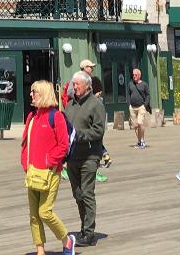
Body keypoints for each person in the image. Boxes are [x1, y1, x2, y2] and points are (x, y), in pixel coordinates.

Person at [20, 80, 75, 255]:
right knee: (34, 215)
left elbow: (63, 146)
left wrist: (49, 160)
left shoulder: (56, 116)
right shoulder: (31, 117)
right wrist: (25, 162)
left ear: (43, 94)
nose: (31, 94)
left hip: (50, 172)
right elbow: (25, 143)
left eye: (34, 92)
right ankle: (40, 250)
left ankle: (67, 240)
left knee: (45, 212)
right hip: (32, 171)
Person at [64, 71, 107, 246]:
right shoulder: (70, 105)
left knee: (87, 192)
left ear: (87, 86)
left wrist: (79, 135)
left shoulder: (96, 105)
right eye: (73, 84)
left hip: (89, 156)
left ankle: (89, 232)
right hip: (72, 157)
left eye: (77, 84)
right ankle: (84, 227)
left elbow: (99, 131)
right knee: (78, 194)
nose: (74, 87)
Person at [77, 60, 110, 175]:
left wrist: (96, 96)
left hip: (95, 111)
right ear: (84, 68)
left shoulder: (95, 80)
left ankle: (101, 157)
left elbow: (99, 92)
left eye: (92, 67)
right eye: (90, 67)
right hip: (82, 114)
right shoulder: (77, 81)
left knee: (96, 135)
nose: (92, 69)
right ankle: (104, 155)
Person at [126, 67, 151, 149]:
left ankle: (142, 140)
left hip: (141, 107)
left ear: (139, 75)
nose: (134, 76)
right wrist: (129, 104)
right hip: (132, 107)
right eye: (133, 75)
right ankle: (139, 141)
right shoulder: (130, 84)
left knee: (140, 123)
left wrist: (145, 104)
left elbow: (148, 95)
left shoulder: (144, 85)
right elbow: (128, 94)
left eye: (136, 75)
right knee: (135, 125)